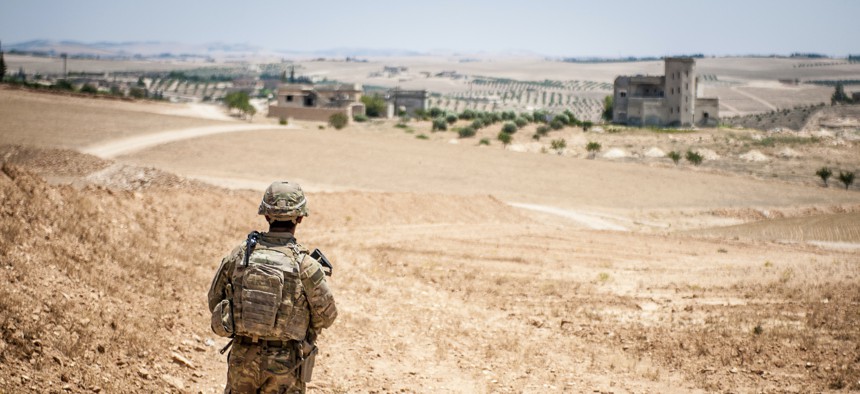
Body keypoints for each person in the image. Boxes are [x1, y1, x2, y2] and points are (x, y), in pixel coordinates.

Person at [208, 181, 337, 393]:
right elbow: (327, 316)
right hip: (285, 364)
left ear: (266, 216)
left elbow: (215, 299)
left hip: (243, 356)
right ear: (300, 217)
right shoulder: (306, 265)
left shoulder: (240, 255)